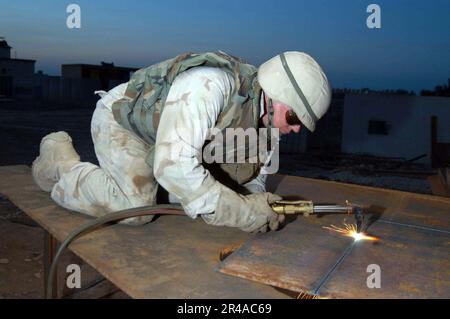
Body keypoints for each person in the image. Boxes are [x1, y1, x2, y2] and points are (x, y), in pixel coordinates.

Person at [32, 51, 331, 233]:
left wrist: (257, 204)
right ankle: (61, 163)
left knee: (201, 193)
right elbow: (172, 165)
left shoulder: (267, 127)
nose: (294, 130)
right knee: (138, 209)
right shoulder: (211, 85)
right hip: (124, 123)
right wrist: (242, 213)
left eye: (300, 125)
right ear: (277, 94)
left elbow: (253, 179)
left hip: (171, 143)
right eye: (294, 118)